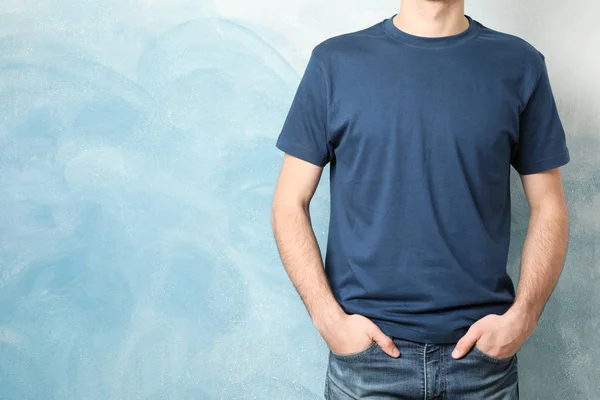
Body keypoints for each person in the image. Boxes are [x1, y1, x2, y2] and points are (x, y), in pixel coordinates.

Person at [270, 0, 570, 398]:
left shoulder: (519, 64)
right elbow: (289, 202)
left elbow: (550, 205)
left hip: (482, 362)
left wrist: (524, 317)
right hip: (368, 360)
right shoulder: (335, 62)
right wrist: (329, 320)